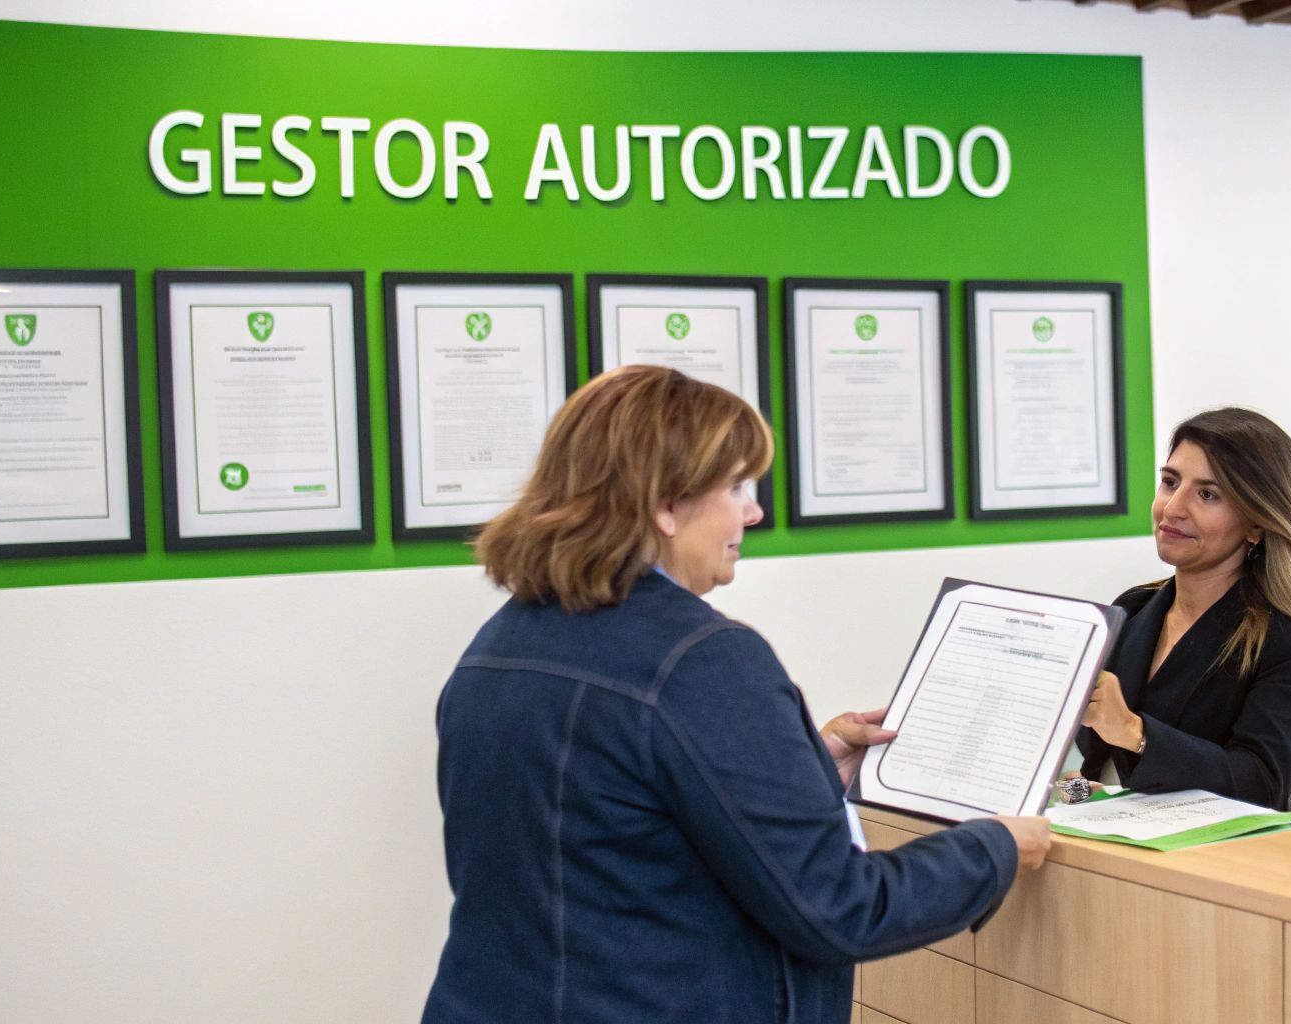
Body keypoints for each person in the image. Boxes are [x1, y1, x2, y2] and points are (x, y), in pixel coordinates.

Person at [421, 365, 1049, 1024]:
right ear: (665, 503)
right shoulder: (704, 661)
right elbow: (840, 911)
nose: (753, 510)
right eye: (736, 486)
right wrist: (993, 847)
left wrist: (811, 764)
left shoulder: (500, 646)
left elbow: (602, 833)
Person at [1074, 407, 1291, 812]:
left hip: (1223, 865)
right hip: (1115, 855)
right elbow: (1100, 775)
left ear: (1256, 523)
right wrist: (1069, 789)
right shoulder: (1132, 610)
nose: (1172, 507)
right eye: (1170, 482)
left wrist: (1136, 732)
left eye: (1207, 494)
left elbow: (1263, 785)